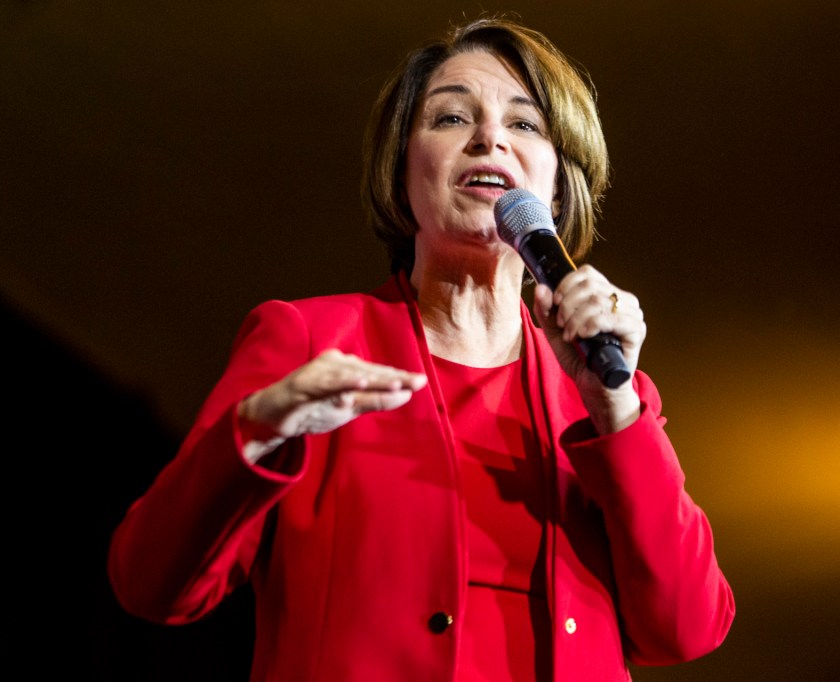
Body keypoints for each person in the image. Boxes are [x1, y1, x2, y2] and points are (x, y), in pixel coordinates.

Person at [107, 15, 735, 681]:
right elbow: (151, 584)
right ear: (402, 170)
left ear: (559, 184)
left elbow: (686, 629)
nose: (489, 136)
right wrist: (256, 433)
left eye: (524, 124)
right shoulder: (308, 341)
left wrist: (615, 412)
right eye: (451, 118)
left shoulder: (611, 395)